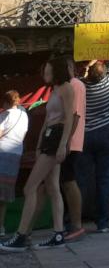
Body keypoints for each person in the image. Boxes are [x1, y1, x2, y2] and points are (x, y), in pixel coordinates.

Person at [0, 58, 74, 251]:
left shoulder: (66, 88)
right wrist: (41, 142)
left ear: (56, 70)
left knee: (29, 187)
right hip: (49, 138)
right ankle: (58, 234)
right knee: (52, 187)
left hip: (57, 138)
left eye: (48, 70)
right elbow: (49, 119)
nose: (45, 74)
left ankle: (21, 235)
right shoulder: (55, 90)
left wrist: (63, 145)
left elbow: (69, 118)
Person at [76, 59, 109, 234]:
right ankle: (103, 223)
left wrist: (86, 64)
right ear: (105, 74)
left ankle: (76, 220)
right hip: (107, 133)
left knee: (83, 181)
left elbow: (76, 77)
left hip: (86, 135)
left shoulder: (81, 87)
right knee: (105, 179)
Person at [60, 60, 86, 242]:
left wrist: (66, 141)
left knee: (69, 182)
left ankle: (76, 225)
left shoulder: (75, 85)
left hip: (72, 141)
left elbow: (75, 114)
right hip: (71, 140)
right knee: (64, 182)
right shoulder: (75, 85)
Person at [0, 92, 28, 237]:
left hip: (2, 153)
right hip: (16, 153)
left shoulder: (4, 116)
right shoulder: (23, 114)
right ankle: (1, 227)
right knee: (5, 194)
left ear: (5, 102)